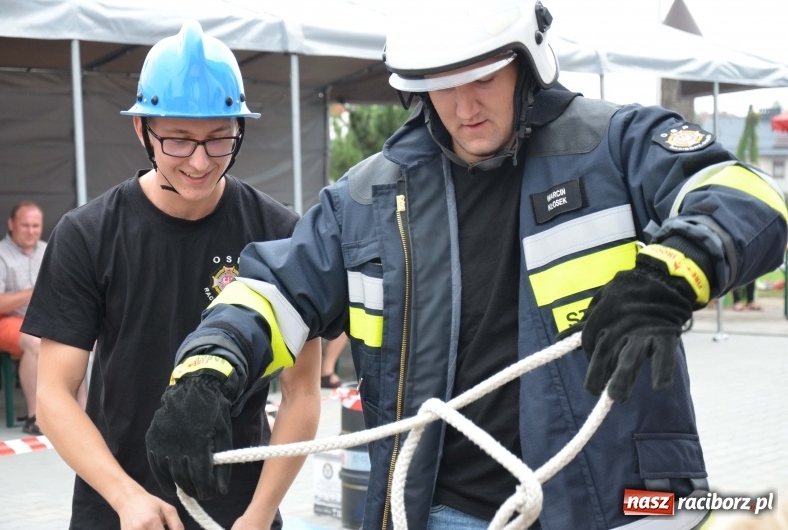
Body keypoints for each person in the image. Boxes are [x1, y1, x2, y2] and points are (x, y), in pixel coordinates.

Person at [144, 2, 788, 530]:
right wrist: (206, 373)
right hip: (443, 512)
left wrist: (674, 274)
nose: (462, 106)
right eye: (440, 84)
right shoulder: (368, 199)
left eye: (481, 77)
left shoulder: (615, 146)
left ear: (525, 63)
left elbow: (745, 195)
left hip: (622, 502)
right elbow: (272, 289)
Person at [21, 20, 321, 530]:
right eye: (179, 141)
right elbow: (54, 393)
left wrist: (259, 514)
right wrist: (125, 497)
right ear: (142, 130)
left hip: (238, 504)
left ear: (240, 131)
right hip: (114, 503)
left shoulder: (277, 235)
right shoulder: (89, 234)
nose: (200, 162)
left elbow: (303, 394)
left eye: (219, 140)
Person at [0, 200, 45, 435]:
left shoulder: (49, 249)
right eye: (25, 226)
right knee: (34, 341)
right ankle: (35, 418)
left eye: (36, 226)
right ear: (11, 224)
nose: (31, 231)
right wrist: (34, 292)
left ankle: (81, 412)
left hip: (43, 319)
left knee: (77, 338)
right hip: (0, 321)